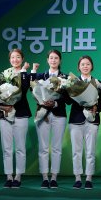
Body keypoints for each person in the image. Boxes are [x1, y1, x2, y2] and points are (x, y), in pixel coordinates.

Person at [32, 50, 69, 189]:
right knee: (43, 147)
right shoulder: (40, 76)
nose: (53, 60)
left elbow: (69, 98)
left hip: (59, 114)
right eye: (51, 58)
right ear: (47, 60)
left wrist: (55, 103)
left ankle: (54, 177)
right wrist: (43, 103)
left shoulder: (65, 77)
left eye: (56, 58)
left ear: (60, 60)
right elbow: (34, 93)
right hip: (42, 114)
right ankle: (44, 177)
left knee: (56, 147)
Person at [69, 56, 101, 190]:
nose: (85, 66)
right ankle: (77, 178)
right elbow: (68, 101)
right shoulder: (73, 82)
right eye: (82, 64)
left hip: (92, 119)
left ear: (91, 66)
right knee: (76, 151)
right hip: (76, 119)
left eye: (88, 64)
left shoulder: (97, 82)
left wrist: (96, 108)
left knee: (90, 151)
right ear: (79, 67)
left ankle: (89, 178)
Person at [0, 49, 31, 188]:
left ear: (22, 59)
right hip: (5, 114)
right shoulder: (3, 74)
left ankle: (18, 175)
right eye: (12, 57)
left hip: (21, 113)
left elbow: (24, 89)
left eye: (18, 57)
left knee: (20, 147)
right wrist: (4, 106)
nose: (15, 59)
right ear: (9, 59)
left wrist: (23, 71)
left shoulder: (25, 75)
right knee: (7, 147)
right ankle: (8, 176)